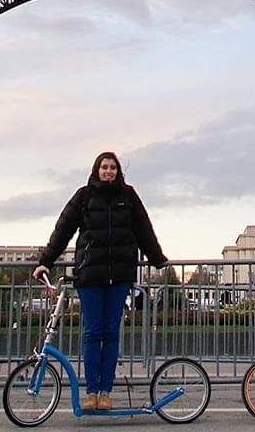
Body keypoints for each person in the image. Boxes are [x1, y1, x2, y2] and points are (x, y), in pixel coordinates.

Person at [33, 150, 167, 412]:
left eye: (113, 168)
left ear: (118, 172)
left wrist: (157, 258)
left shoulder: (128, 196)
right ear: (96, 170)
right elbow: (63, 230)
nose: (109, 171)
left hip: (119, 275)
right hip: (90, 275)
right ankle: (91, 391)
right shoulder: (84, 196)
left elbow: (143, 229)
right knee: (94, 333)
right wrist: (45, 261)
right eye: (104, 167)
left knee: (111, 332)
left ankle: (106, 391)